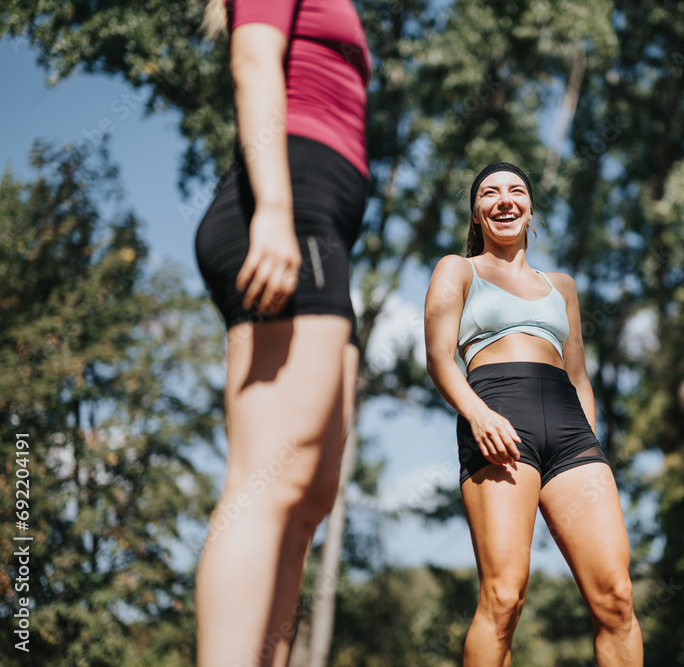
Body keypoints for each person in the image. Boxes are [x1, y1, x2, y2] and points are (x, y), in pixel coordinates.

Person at [193, 0, 369, 664]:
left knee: (309, 491)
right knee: (266, 480)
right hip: (288, 204)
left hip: (322, 223)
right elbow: (254, 59)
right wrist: (274, 208)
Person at [425, 162, 643, 666]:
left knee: (616, 597)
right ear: (477, 214)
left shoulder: (561, 285)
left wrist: (588, 444)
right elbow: (439, 360)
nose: (504, 200)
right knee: (504, 597)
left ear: (530, 209)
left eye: (516, 191)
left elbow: (580, 375)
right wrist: (478, 416)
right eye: (490, 193)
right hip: (498, 419)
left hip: (570, 430)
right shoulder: (458, 269)